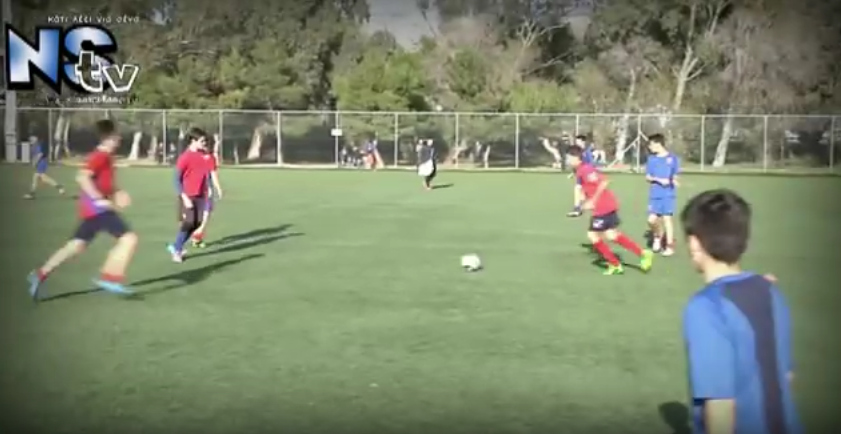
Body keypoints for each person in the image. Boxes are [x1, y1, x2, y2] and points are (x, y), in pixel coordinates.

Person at [681, 189, 800, 434]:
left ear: (694, 243)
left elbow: (721, 404)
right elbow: (786, 377)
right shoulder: (771, 291)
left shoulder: (705, 307)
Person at [26, 120, 139, 299]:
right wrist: (99, 199)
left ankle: (40, 274)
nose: (119, 139)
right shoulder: (100, 156)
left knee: (75, 246)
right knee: (129, 239)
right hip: (99, 210)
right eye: (116, 136)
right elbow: (82, 177)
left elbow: (104, 182)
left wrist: (118, 192)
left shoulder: (107, 157)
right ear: (108, 138)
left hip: (93, 211)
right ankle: (109, 277)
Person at [567, 146, 653, 275]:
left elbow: (604, 182)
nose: (567, 160)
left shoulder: (586, 169)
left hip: (603, 207)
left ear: (576, 158)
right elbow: (587, 187)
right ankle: (643, 254)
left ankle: (615, 264)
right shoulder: (580, 170)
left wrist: (593, 200)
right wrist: (583, 202)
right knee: (612, 235)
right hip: (607, 205)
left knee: (592, 235)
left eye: (569, 158)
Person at [168, 128, 212, 262]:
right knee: (189, 222)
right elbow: (176, 179)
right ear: (193, 141)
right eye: (202, 141)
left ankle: (176, 246)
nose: (204, 143)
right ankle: (177, 250)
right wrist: (184, 197)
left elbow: (205, 174)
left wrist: (209, 187)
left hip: (200, 195)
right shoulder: (185, 157)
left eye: (205, 141)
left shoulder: (203, 155)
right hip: (188, 195)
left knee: (197, 223)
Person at [644, 133, 680, 256]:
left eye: (651, 145)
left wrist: (674, 181)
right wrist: (659, 180)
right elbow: (648, 177)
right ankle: (657, 237)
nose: (649, 147)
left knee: (667, 219)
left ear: (658, 144)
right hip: (655, 194)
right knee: (651, 220)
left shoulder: (673, 158)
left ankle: (669, 246)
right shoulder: (651, 159)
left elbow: (675, 175)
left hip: (668, 194)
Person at [190, 147, 224, 248]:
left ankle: (197, 236)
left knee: (201, 214)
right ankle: (196, 235)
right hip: (203, 190)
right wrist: (218, 189)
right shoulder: (207, 158)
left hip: (195, 189)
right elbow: (213, 175)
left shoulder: (196, 156)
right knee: (205, 214)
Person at [24, 135, 64, 199]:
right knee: (42, 178)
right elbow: (35, 155)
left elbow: (40, 154)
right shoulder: (34, 146)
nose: (31, 140)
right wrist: (34, 162)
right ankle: (59, 187)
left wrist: (35, 162)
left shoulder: (37, 146)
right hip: (41, 163)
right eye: (30, 139)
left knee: (38, 177)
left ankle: (32, 194)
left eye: (32, 139)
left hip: (41, 163)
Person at [567, 134, 596, 217]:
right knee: (578, 190)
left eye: (579, 141)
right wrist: (573, 173)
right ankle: (577, 208)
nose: (577, 143)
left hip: (586, 175)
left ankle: (581, 207)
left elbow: (591, 164)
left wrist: (590, 174)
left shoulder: (587, 152)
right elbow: (576, 164)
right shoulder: (578, 152)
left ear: (583, 142)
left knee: (584, 192)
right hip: (580, 175)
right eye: (576, 141)